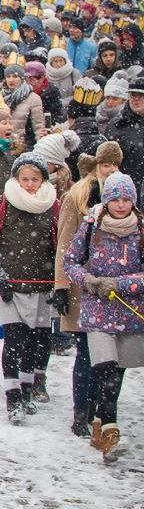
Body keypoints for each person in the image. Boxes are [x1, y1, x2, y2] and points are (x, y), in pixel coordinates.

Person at [62, 172, 144, 463]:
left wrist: (122, 284)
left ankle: (99, 418)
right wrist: (89, 281)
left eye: (126, 199)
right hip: (97, 313)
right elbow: (70, 262)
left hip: (130, 314)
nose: (121, 205)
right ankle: (111, 431)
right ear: (106, 200)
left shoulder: (141, 230)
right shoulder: (90, 227)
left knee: (117, 373)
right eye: (115, 199)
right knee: (105, 369)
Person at [0, 152, 60, 425]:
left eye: (35, 179)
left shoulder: (53, 207)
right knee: (14, 340)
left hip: (43, 284)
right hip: (10, 283)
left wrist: (61, 284)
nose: (30, 184)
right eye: (24, 179)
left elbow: (61, 246)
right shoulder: (2, 204)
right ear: (15, 179)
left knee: (36, 341)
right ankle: (12, 397)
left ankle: (27, 390)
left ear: (43, 180)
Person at [54, 141, 122, 438]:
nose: (110, 171)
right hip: (81, 285)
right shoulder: (78, 195)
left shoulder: (123, 198)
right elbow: (65, 244)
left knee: (108, 355)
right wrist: (61, 284)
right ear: (96, 166)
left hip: (112, 290)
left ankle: (100, 409)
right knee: (85, 351)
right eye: (106, 165)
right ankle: (82, 410)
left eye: (115, 165)